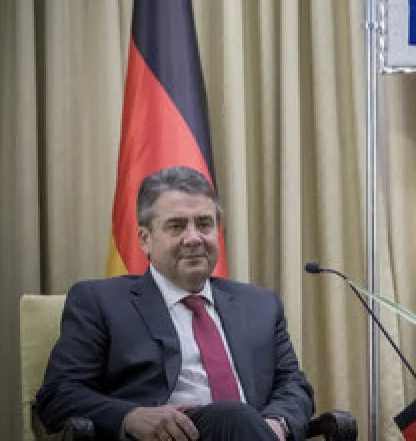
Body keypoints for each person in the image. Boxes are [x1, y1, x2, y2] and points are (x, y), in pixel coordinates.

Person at [35, 166, 315, 441]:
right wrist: (131, 416)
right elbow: (58, 395)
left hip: (246, 430)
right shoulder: (99, 302)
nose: (193, 238)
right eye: (177, 226)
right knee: (233, 415)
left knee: (237, 418)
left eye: (204, 224)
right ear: (145, 240)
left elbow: (294, 386)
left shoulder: (261, 305)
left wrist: (277, 425)